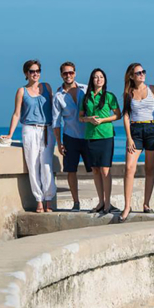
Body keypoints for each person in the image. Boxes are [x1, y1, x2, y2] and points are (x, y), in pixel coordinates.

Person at [0, 60, 56, 213]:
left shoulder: (47, 87)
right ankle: (39, 200)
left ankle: (49, 199)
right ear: (26, 73)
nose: (35, 73)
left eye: (38, 70)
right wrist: (10, 134)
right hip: (29, 130)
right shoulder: (21, 91)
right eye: (32, 71)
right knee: (32, 165)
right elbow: (17, 113)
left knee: (46, 165)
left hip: (47, 129)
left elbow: (54, 109)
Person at [120, 63, 154, 222]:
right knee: (129, 168)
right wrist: (128, 137)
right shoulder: (128, 92)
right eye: (138, 73)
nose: (141, 74)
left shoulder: (153, 89)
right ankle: (127, 206)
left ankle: (146, 203)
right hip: (135, 131)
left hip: (152, 129)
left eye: (143, 72)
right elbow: (125, 116)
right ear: (132, 76)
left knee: (149, 168)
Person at [79, 68, 121, 214]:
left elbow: (117, 115)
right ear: (92, 80)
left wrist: (103, 119)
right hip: (90, 136)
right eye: (96, 77)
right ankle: (101, 202)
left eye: (101, 77)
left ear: (104, 80)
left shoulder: (109, 96)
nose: (99, 79)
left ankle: (108, 203)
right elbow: (80, 117)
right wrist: (88, 119)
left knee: (105, 169)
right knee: (95, 170)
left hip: (106, 136)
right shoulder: (85, 98)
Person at [53, 61, 91, 212]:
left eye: (71, 72)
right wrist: (59, 143)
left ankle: (103, 201)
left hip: (89, 135)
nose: (68, 75)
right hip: (70, 136)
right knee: (71, 170)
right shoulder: (58, 96)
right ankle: (76, 202)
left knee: (96, 169)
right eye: (65, 73)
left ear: (75, 73)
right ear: (61, 75)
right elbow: (56, 122)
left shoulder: (86, 89)